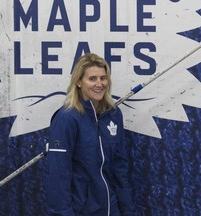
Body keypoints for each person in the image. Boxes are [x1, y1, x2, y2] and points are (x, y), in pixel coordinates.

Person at [46, 53, 135, 216]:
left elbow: (119, 169)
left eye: (103, 78)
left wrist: (127, 210)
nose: (99, 84)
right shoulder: (66, 118)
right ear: (79, 82)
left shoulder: (114, 114)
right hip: (81, 211)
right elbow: (58, 175)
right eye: (92, 79)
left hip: (111, 210)